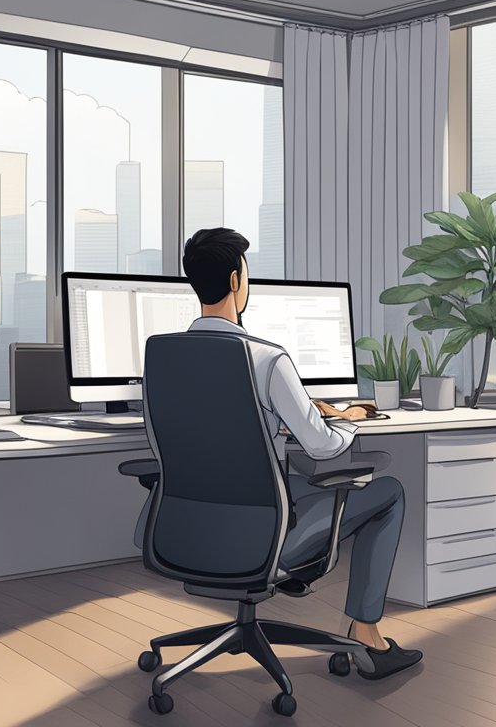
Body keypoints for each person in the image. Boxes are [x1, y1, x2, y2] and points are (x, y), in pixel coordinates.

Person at [175, 226, 422, 680]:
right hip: (258, 537)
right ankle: (366, 635)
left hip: (189, 531)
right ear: (235, 281)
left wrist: (297, 413)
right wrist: (347, 417)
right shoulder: (267, 359)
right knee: (387, 490)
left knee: (300, 486)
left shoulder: (165, 355)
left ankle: (297, 575)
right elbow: (323, 446)